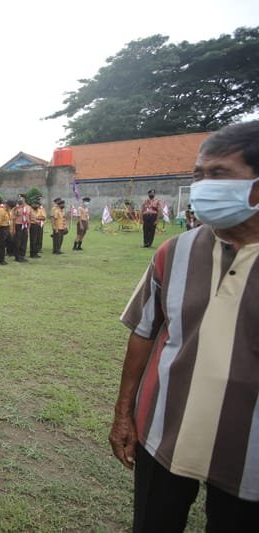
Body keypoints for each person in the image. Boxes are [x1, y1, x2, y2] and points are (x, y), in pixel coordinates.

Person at [109, 120, 259, 531]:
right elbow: (143, 332)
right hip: (163, 431)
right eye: (199, 175)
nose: (203, 185)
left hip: (249, 456)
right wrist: (124, 413)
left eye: (219, 175)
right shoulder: (174, 252)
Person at [12, 193, 30, 262]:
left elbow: (29, 218)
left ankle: (22, 255)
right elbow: (13, 218)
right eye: (19, 198)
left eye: (21, 198)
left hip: (25, 225)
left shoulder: (28, 207)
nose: (20, 199)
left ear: (25, 199)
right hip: (18, 225)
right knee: (18, 241)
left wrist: (28, 227)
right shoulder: (16, 208)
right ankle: (17, 256)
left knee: (24, 241)